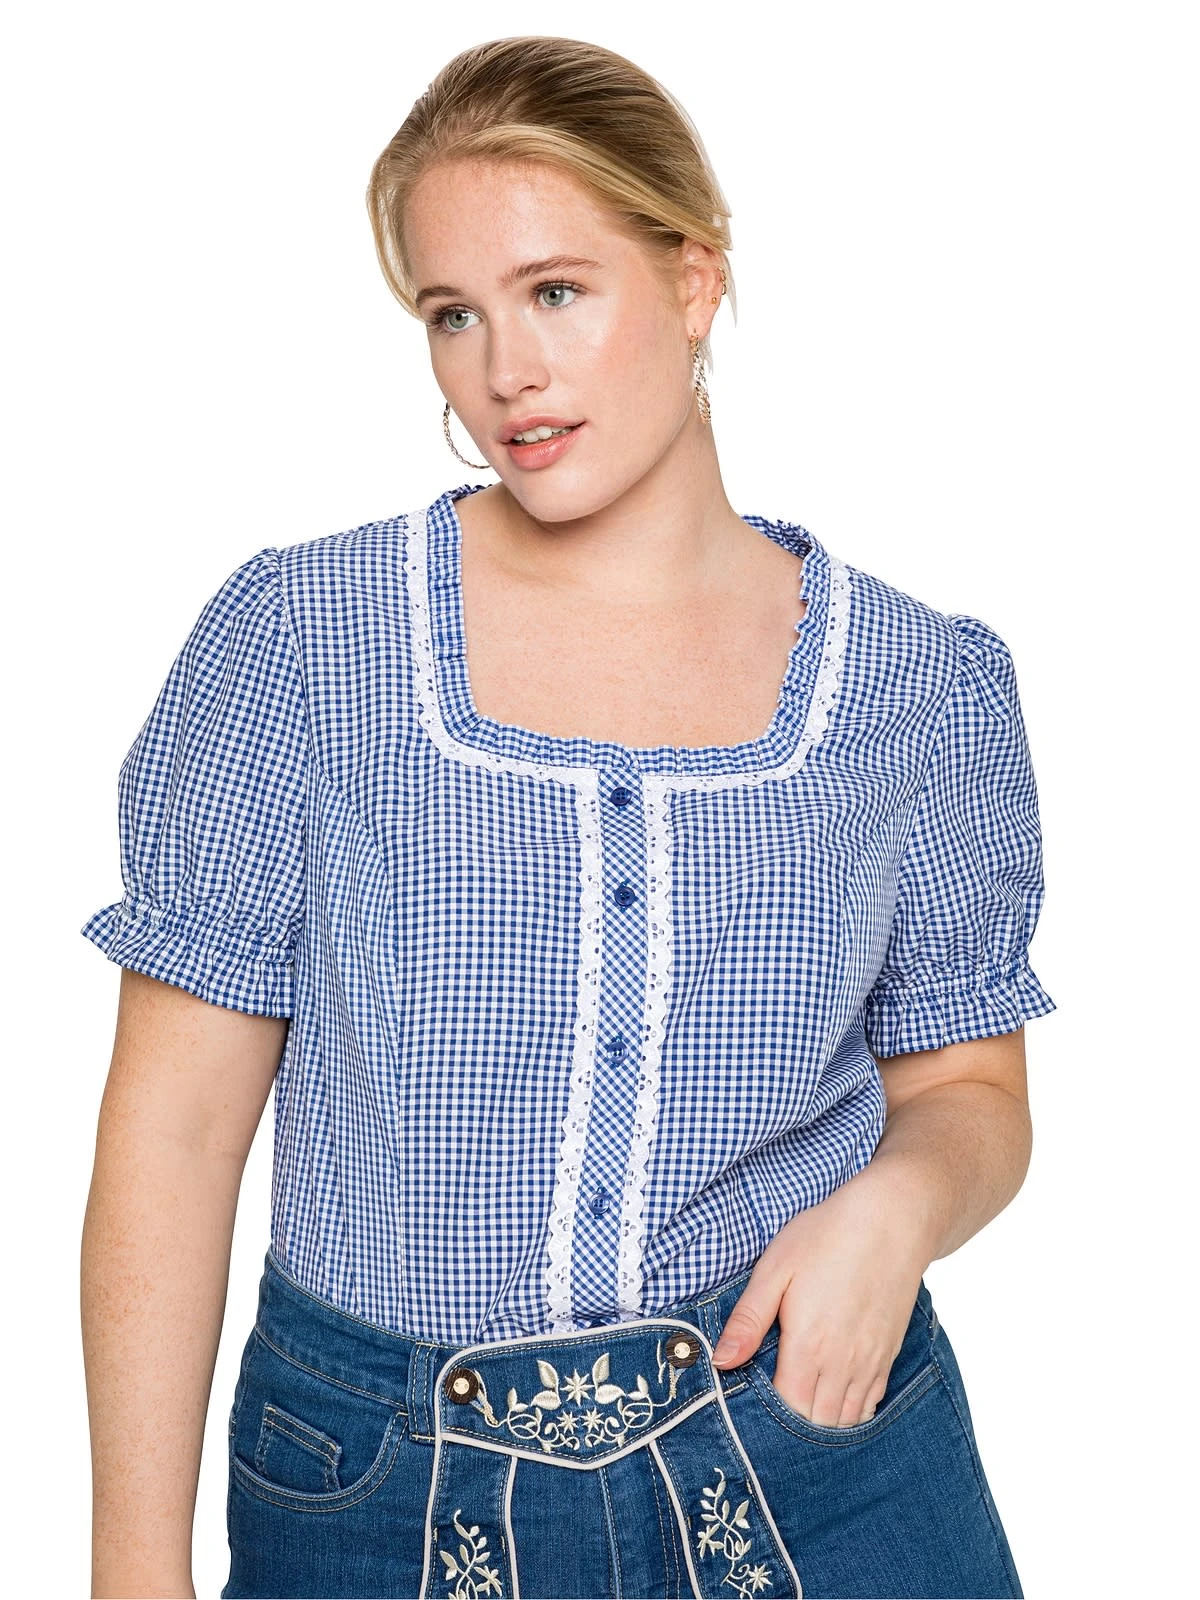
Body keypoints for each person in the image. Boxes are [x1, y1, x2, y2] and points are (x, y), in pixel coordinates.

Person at [79, 34, 1056, 1600]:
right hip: (379, 1488)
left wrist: (900, 1208)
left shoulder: (916, 688)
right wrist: (134, 1563)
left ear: (694, 279)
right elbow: (176, 1130)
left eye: (556, 291)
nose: (505, 373)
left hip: (815, 1447)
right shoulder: (304, 643)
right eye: (452, 314)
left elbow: (971, 1087)